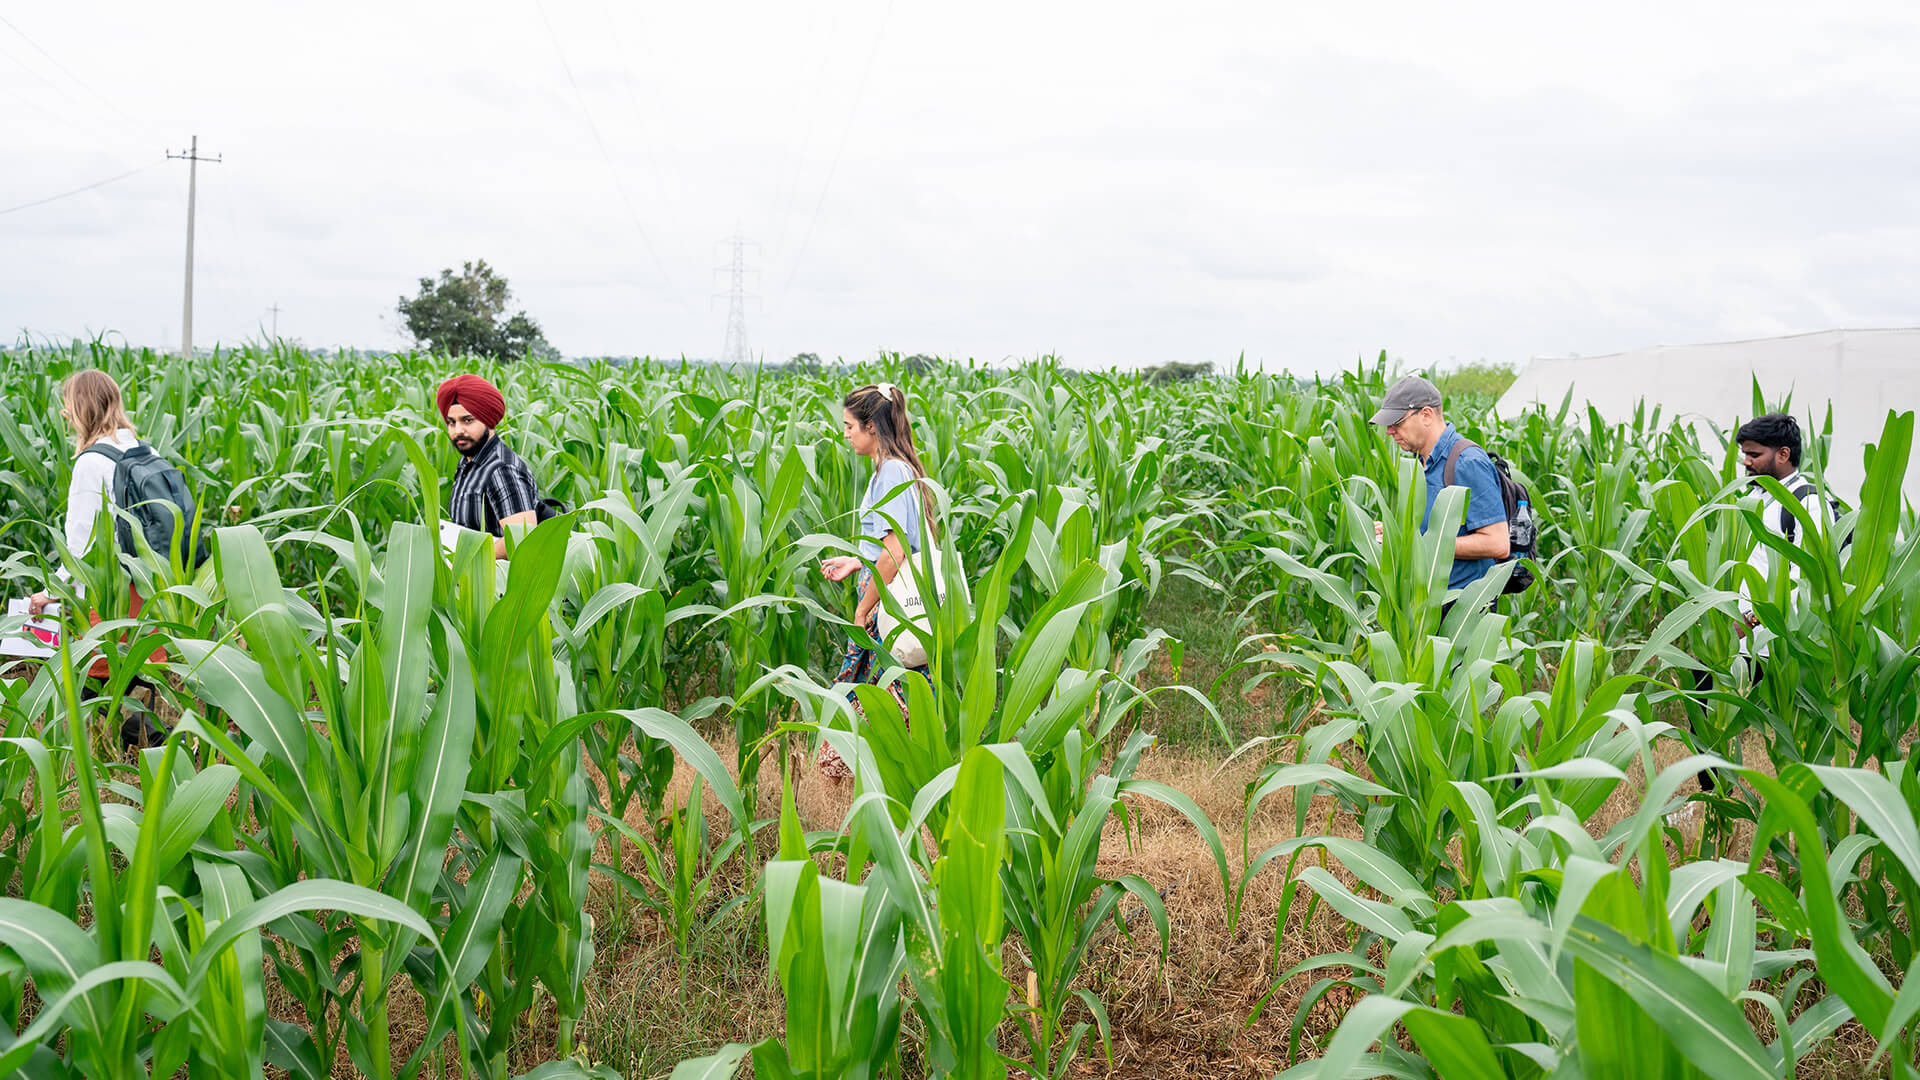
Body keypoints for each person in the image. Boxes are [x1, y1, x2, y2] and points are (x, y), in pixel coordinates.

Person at [27, 370, 168, 747]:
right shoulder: (144, 450)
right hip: (145, 584)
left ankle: (103, 746)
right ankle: (144, 733)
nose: (66, 417)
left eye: (69, 409)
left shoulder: (91, 462)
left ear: (83, 409)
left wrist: (51, 592)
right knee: (140, 663)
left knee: (88, 672)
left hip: (107, 591)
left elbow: (82, 544)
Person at [814, 382, 938, 779]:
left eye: (849, 426)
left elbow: (896, 551)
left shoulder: (892, 471)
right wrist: (857, 561)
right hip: (889, 604)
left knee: (853, 732)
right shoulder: (890, 469)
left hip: (887, 611)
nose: (846, 435)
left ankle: (865, 802)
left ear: (871, 426)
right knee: (878, 724)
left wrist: (863, 608)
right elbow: (894, 543)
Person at [1368, 375, 1511, 596]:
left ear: (1426, 415)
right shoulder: (1419, 465)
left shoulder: (1467, 462)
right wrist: (1393, 536)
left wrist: (1416, 545)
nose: (1389, 431)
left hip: (1462, 607)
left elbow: (1498, 544)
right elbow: (1429, 530)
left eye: (1397, 423)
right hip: (1427, 603)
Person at [438, 374, 541, 560]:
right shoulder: (467, 463)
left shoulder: (501, 470)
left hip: (495, 577)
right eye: (451, 422)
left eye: (467, 420)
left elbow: (521, 538)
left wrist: (466, 563)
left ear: (488, 420)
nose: (458, 430)